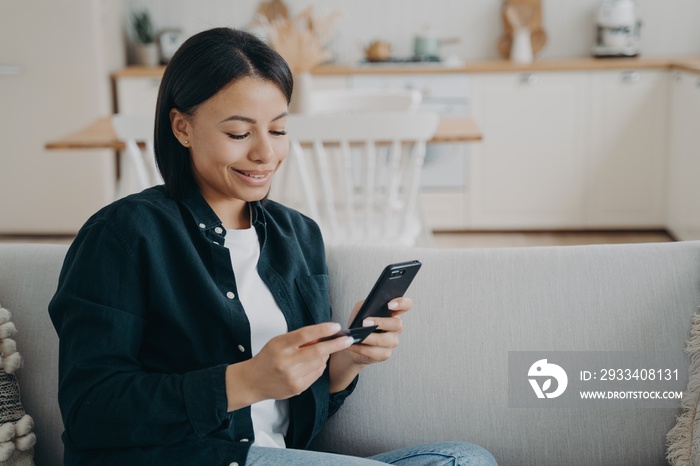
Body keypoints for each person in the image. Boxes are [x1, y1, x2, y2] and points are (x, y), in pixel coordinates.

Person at [49, 27, 497, 466]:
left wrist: (347, 362)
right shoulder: (125, 233)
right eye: (240, 134)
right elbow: (90, 410)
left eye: (278, 130)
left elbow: (289, 424)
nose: (266, 153)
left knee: (466, 458)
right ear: (182, 127)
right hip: (180, 457)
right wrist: (240, 383)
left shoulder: (297, 235)